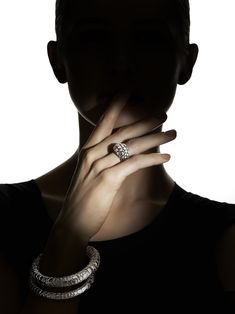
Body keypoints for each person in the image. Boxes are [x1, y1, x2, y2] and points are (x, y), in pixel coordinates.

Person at [0, 0, 235, 313]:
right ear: (58, 61)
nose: (121, 64)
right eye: (94, 38)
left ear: (186, 61)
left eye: (148, 38)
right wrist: (69, 235)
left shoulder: (227, 235)